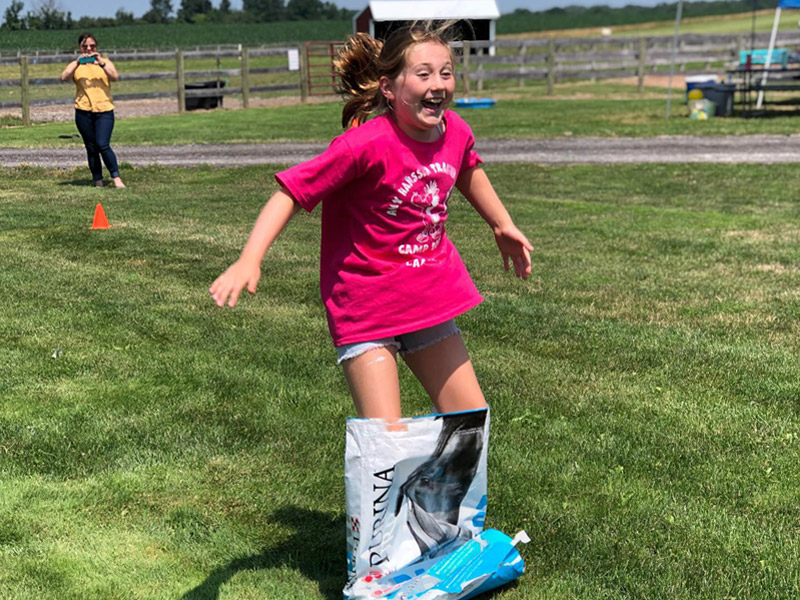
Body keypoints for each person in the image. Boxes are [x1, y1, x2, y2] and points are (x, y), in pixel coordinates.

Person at [209, 22, 532, 421]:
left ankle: (433, 486)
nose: (438, 84)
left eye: (446, 73)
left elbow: (466, 166)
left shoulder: (456, 132)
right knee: (384, 440)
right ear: (388, 88)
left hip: (428, 298)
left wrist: (500, 223)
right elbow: (291, 193)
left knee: (468, 422)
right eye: (424, 73)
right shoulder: (363, 145)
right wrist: (249, 259)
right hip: (368, 306)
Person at [61, 32, 125, 188]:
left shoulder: (105, 63)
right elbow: (64, 77)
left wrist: (100, 62)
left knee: (103, 144)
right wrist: (78, 62)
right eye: (85, 46)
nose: (89, 49)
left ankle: (116, 177)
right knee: (91, 147)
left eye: (92, 46)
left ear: (97, 47)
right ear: (80, 48)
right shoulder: (76, 65)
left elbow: (114, 76)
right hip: (83, 110)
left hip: (104, 109)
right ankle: (98, 180)